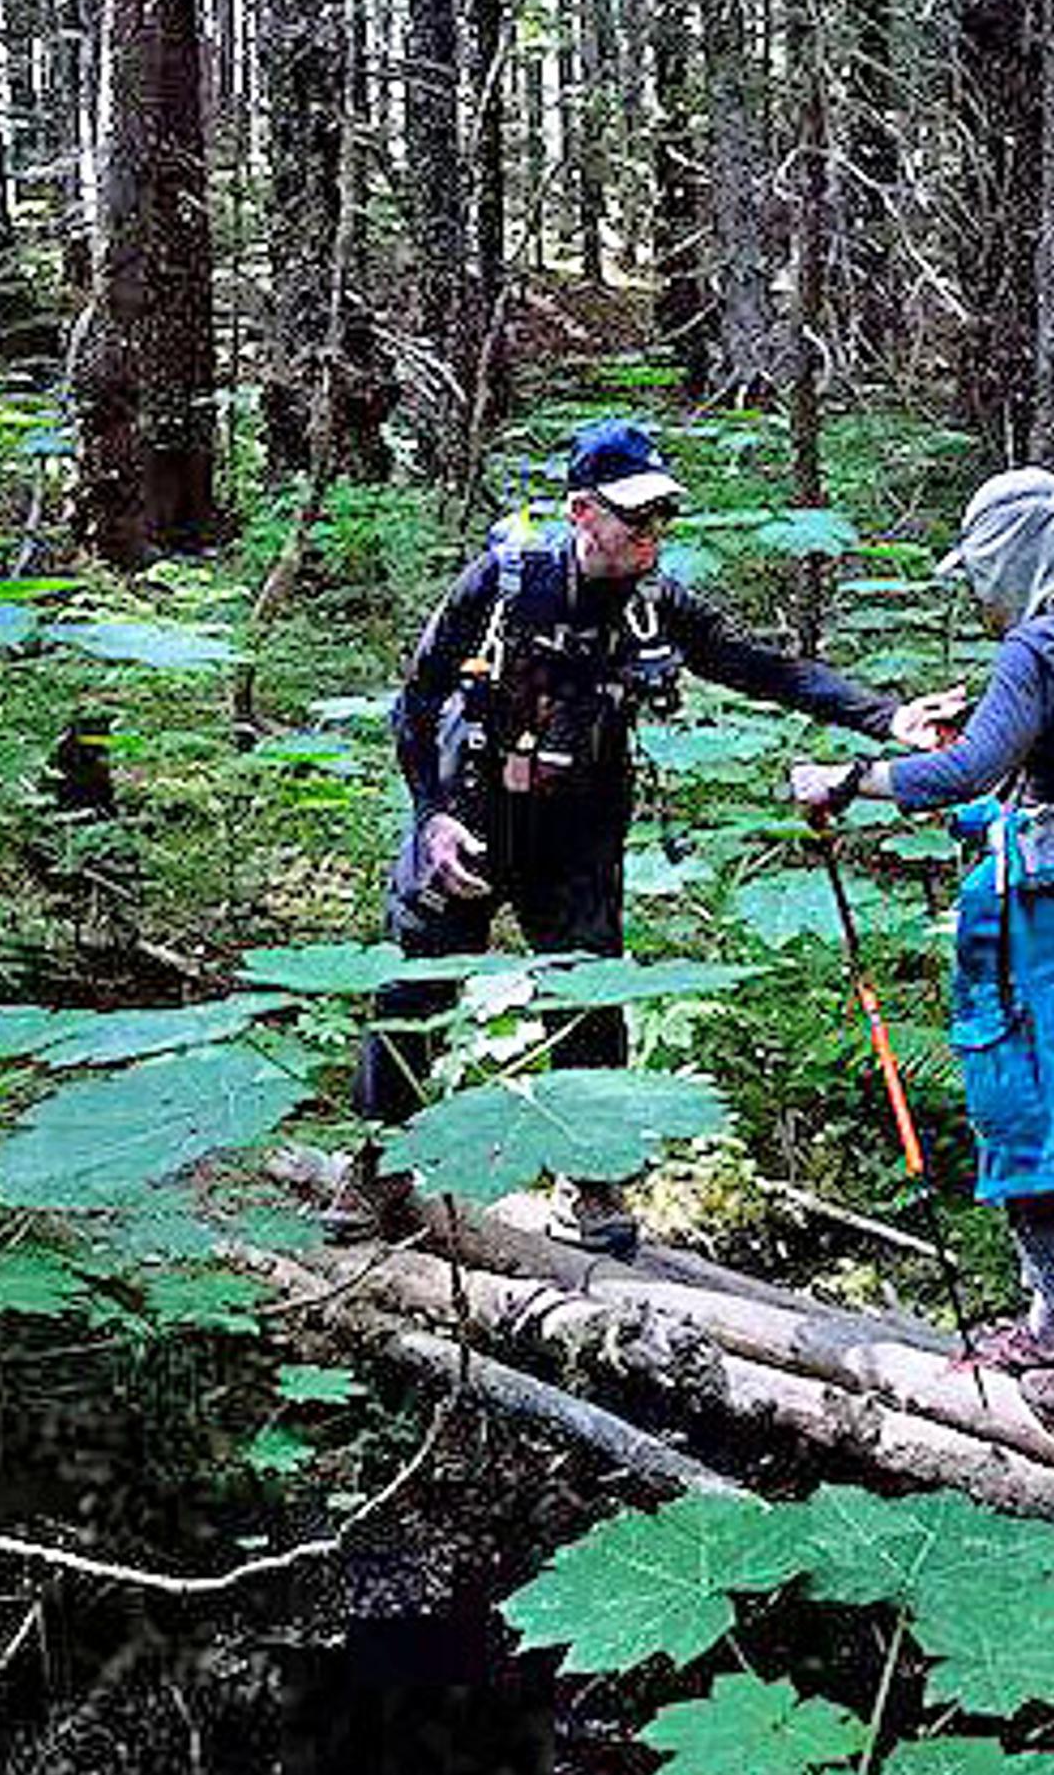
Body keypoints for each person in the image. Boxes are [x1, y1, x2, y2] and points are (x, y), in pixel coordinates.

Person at [343, 417, 942, 1254]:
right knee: (415, 990)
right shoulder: (505, 583)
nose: (653, 535)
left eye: (664, 517)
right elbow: (415, 700)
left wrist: (884, 715)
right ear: (582, 512)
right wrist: (430, 816)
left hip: (578, 826)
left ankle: (587, 1179)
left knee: (589, 998)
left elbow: (759, 667)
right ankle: (377, 1166)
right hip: (468, 807)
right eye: (637, 518)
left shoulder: (659, 605)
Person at [790, 467, 1054, 1433]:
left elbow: (968, 771)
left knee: (1034, 1132)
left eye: (983, 567)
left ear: (1014, 557)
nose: (980, 590)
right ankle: (1051, 1322)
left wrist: (846, 779)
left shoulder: (1038, 644)